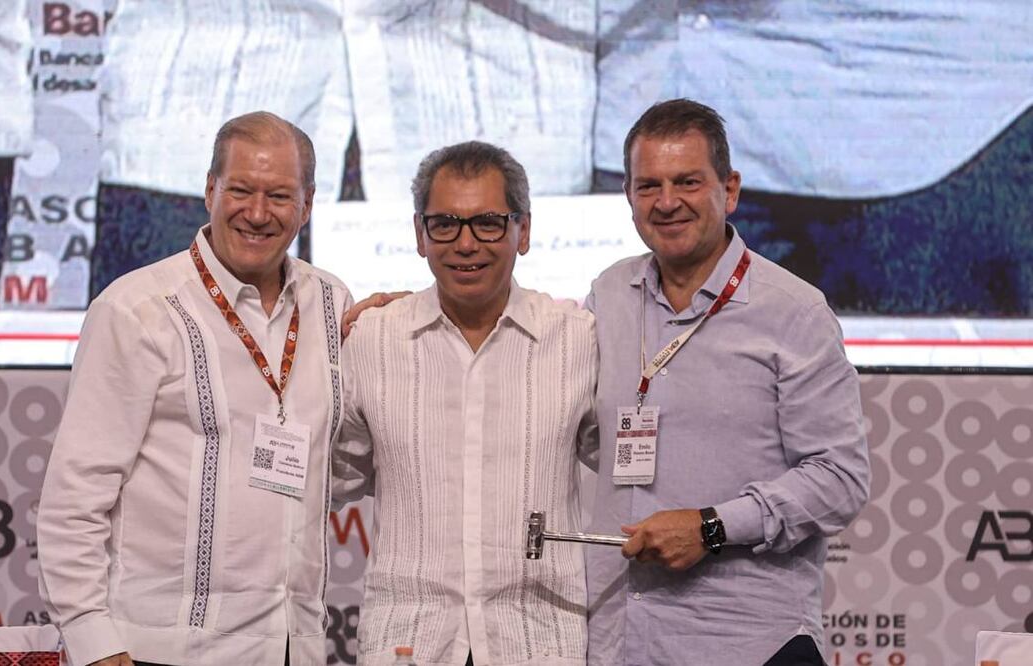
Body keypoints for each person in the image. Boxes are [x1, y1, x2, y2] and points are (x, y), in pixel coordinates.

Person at [37, 111, 353, 666]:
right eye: (240, 190)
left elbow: (342, 461)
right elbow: (75, 496)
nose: (257, 213)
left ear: (307, 204)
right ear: (209, 190)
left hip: (291, 648)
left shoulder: (332, 304)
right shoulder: (137, 310)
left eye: (279, 195)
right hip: (155, 651)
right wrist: (93, 642)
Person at [584, 98, 871, 665]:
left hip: (747, 642)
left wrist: (713, 527)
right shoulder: (609, 294)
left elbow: (840, 479)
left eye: (687, 181)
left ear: (730, 189)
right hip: (619, 639)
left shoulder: (794, 311)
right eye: (649, 186)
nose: (667, 203)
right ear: (629, 197)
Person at [333, 141, 598, 666]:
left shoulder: (578, 339)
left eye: (488, 223)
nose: (465, 243)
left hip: (538, 644)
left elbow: (633, 472)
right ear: (419, 235)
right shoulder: (371, 340)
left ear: (522, 232)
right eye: (445, 224)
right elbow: (326, 478)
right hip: (408, 644)